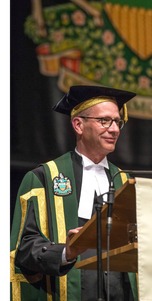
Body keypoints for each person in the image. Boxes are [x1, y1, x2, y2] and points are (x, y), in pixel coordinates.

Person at [9, 86, 138, 301]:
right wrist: (65, 253)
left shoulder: (125, 181)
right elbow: (24, 247)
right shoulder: (43, 178)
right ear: (78, 125)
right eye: (105, 121)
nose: (114, 129)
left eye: (117, 122)